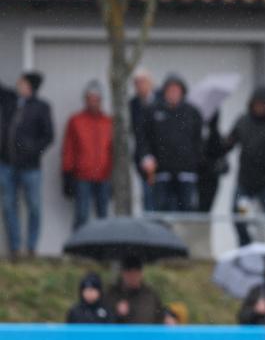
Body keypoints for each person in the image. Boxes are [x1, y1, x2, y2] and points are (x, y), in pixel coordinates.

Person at [0, 71, 53, 257]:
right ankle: (15, 247)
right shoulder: (10, 101)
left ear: (30, 86)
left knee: (34, 207)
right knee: (8, 206)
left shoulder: (41, 107)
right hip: (7, 165)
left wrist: (33, 152)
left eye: (22, 82)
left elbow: (48, 136)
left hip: (30, 168)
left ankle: (31, 247)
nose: (18, 84)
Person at [224, 86, 265, 246]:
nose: (260, 108)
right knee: (238, 215)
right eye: (257, 104)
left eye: (263, 104)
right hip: (245, 183)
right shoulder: (243, 121)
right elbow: (228, 143)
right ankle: (246, 245)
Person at [137, 74, 203, 211]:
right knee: (162, 211)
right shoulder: (153, 111)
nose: (173, 94)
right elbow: (144, 139)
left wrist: (194, 162)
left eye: (176, 90)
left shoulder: (192, 112)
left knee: (186, 211)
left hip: (186, 173)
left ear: (182, 92)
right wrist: (147, 158)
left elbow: (199, 141)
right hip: (161, 173)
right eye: (170, 90)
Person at [62, 80, 113, 229]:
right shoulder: (76, 121)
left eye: (96, 99)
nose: (93, 103)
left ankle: (103, 249)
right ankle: (77, 250)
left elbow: (113, 151)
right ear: (85, 99)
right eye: (90, 99)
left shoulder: (108, 122)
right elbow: (69, 148)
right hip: (82, 175)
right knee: (81, 215)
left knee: (103, 216)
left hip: (104, 176)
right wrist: (67, 173)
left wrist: (114, 176)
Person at [104, 256, 165, 324]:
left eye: (135, 273)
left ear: (141, 273)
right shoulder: (112, 294)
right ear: (122, 273)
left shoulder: (151, 294)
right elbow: (102, 319)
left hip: (146, 334)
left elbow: (160, 317)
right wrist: (116, 313)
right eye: (129, 273)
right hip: (120, 334)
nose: (132, 277)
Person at [129, 68, 157, 211]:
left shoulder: (160, 100)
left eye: (143, 82)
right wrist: (145, 156)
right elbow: (136, 133)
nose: (140, 86)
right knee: (147, 200)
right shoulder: (133, 105)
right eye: (137, 83)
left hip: (162, 158)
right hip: (143, 158)